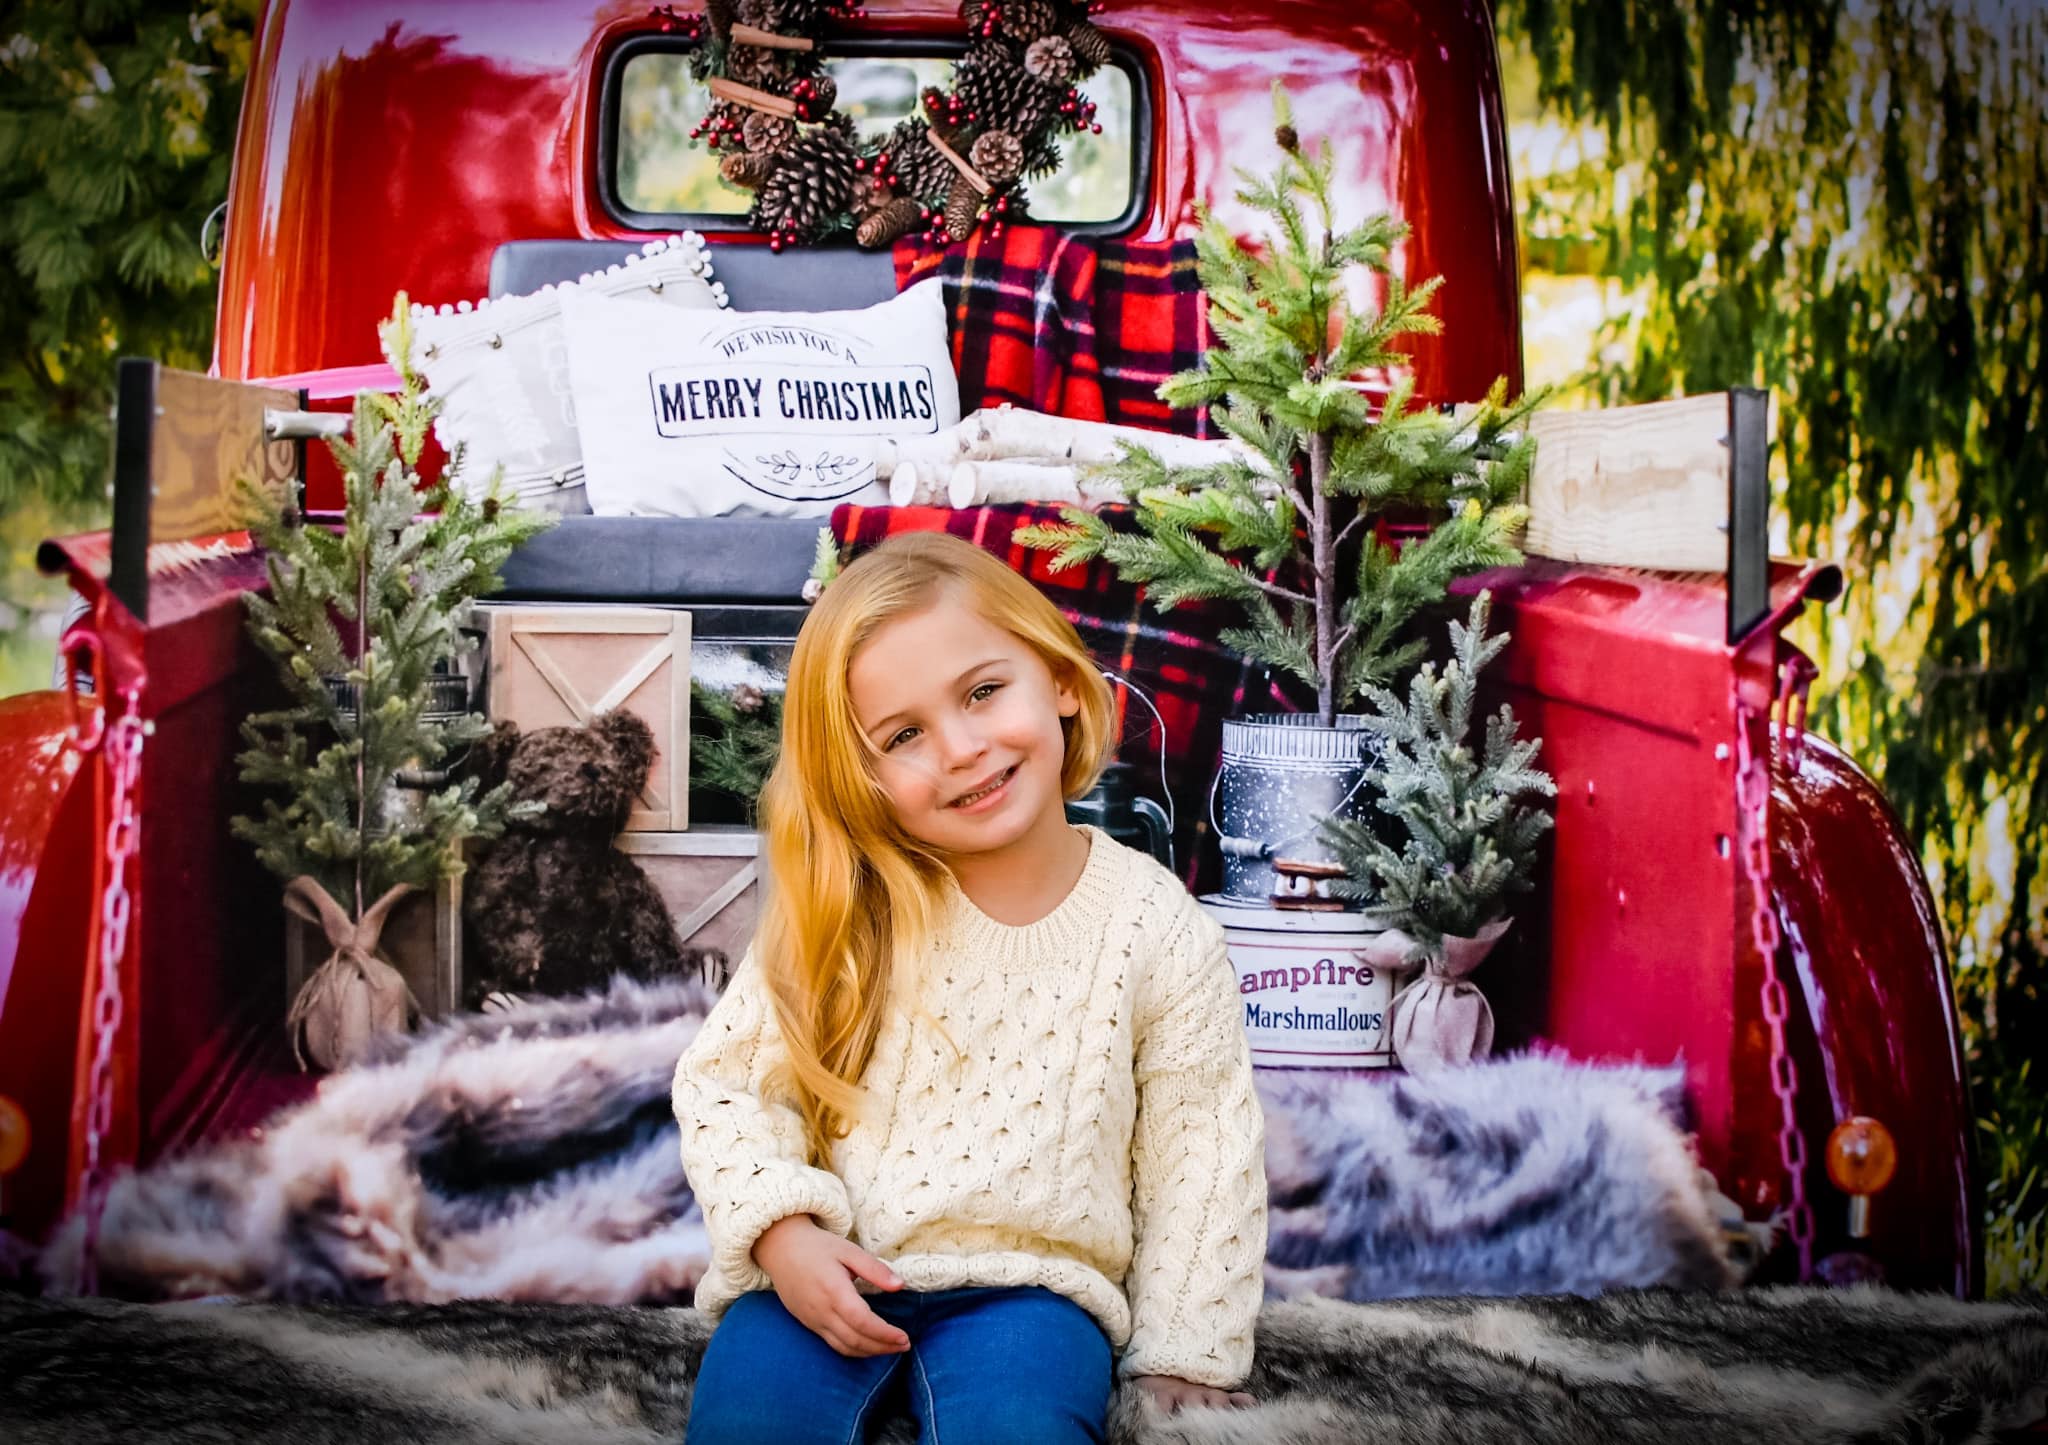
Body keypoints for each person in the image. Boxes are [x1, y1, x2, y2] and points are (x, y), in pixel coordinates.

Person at [675, 530, 1267, 1444]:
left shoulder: (1155, 927)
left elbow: (1203, 1148)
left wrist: (1187, 1350)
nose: (961, 747)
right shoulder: (854, 908)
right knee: (746, 1420)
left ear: (1063, 682)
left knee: (1023, 1428)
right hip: (832, 1276)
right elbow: (727, 1088)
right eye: (903, 734)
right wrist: (784, 1236)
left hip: (1030, 1300)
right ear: (863, 776)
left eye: (985, 691)